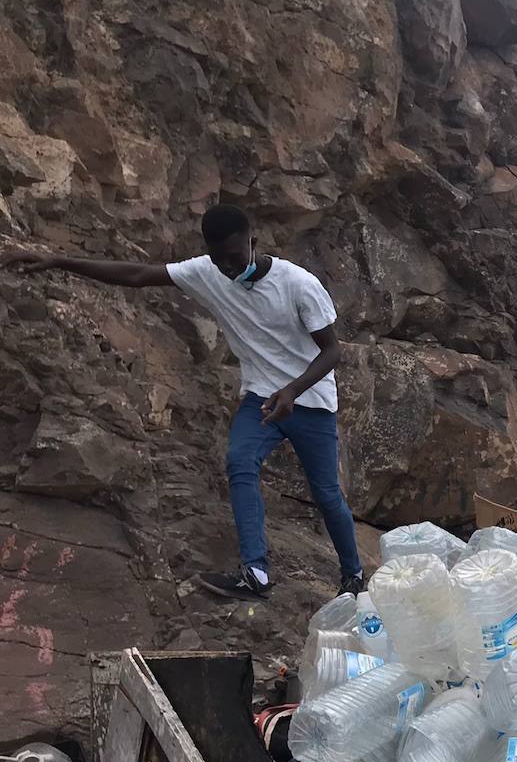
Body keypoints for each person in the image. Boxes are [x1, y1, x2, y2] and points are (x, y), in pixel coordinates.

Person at [2, 204, 364, 602]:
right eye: (219, 259)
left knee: (327, 494)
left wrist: (293, 391)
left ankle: (353, 577)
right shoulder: (207, 271)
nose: (227, 267)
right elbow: (139, 275)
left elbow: (332, 352)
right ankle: (255, 573)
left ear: (252, 242)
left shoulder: (299, 284)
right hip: (262, 397)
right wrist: (59, 260)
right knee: (240, 462)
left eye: (234, 256)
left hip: (310, 400)